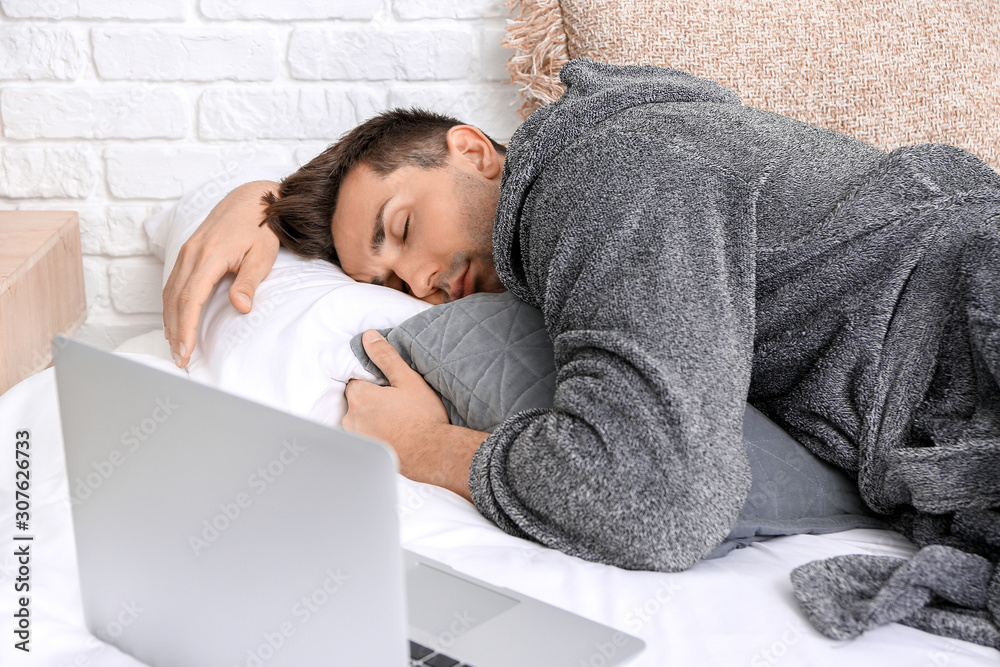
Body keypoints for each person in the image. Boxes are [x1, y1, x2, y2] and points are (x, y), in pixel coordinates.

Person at [163, 59, 1000, 577]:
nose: (421, 281)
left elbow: (663, 498)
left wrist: (421, 448)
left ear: (473, 149)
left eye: (403, 228)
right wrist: (261, 199)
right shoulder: (599, 186)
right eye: (391, 281)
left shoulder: (602, 176)